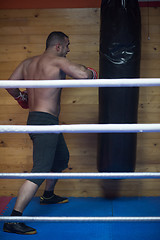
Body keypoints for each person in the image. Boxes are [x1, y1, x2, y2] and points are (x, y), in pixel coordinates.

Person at [3, 31, 98, 235]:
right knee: (40, 170)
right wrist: (93, 72)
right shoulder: (56, 61)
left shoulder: (28, 63)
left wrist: (21, 98)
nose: (68, 49)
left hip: (40, 120)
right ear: (58, 46)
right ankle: (13, 219)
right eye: (67, 45)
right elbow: (82, 74)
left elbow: (10, 85)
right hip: (45, 122)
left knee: (61, 158)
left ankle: (48, 195)